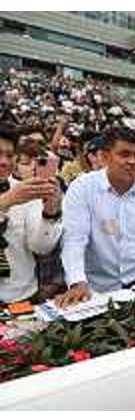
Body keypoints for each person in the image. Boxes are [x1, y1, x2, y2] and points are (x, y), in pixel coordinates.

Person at [58, 127, 135, 306]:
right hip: (95, 285)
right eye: (124, 154)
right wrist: (77, 281)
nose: (132, 161)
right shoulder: (82, 189)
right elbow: (74, 240)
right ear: (105, 157)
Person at [0, 124, 63, 303]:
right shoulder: (16, 194)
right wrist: (5, 202)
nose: (4, 161)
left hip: (22, 296)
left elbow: (40, 247)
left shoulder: (24, 190)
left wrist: (50, 212)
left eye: (10, 155)